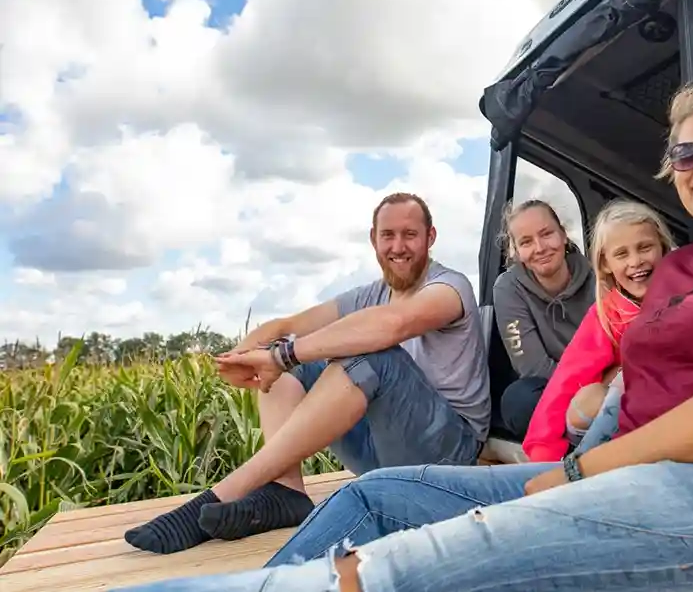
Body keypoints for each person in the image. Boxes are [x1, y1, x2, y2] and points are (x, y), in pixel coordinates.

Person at [113, 75, 693, 592]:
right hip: (624, 471)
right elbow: (632, 386)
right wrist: (589, 419)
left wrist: (581, 472)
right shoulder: (678, 270)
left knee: (397, 568)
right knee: (380, 500)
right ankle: (277, 512)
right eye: (687, 151)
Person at [122, 192, 490, 555]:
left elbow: (392, 325)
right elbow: (286, 325)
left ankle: (228, 490)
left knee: (368, 355)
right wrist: (245, 357)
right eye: (387, 235)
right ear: (373, 240)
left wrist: (284, 355)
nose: (398, 246)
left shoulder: (449, 287)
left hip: (449, 457)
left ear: (431, 238)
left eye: (410, 235)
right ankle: (288, 491)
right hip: (381, 450)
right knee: (288, 357)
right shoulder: (370, 293)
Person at [522, 198, 675, 462]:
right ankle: (579, 470)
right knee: (592, 395)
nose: (636, 261)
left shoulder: (686, 299)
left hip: (674, 416)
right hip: (617, 421)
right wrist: (543, 453)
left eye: (645, 247)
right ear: (605, 264)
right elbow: (566, 381)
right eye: (622, 254)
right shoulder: (607, 315)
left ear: (663, 247)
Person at [492, 199, 595, 438]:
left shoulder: (597, 273)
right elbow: (532, 367)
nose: (539, 248)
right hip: (556, 388)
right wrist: (584, 399)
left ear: (563, 235)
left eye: (546, 234)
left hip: (603, 381)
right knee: (520, 400)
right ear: (516, 252)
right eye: (526, 242)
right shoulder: (508, 287)